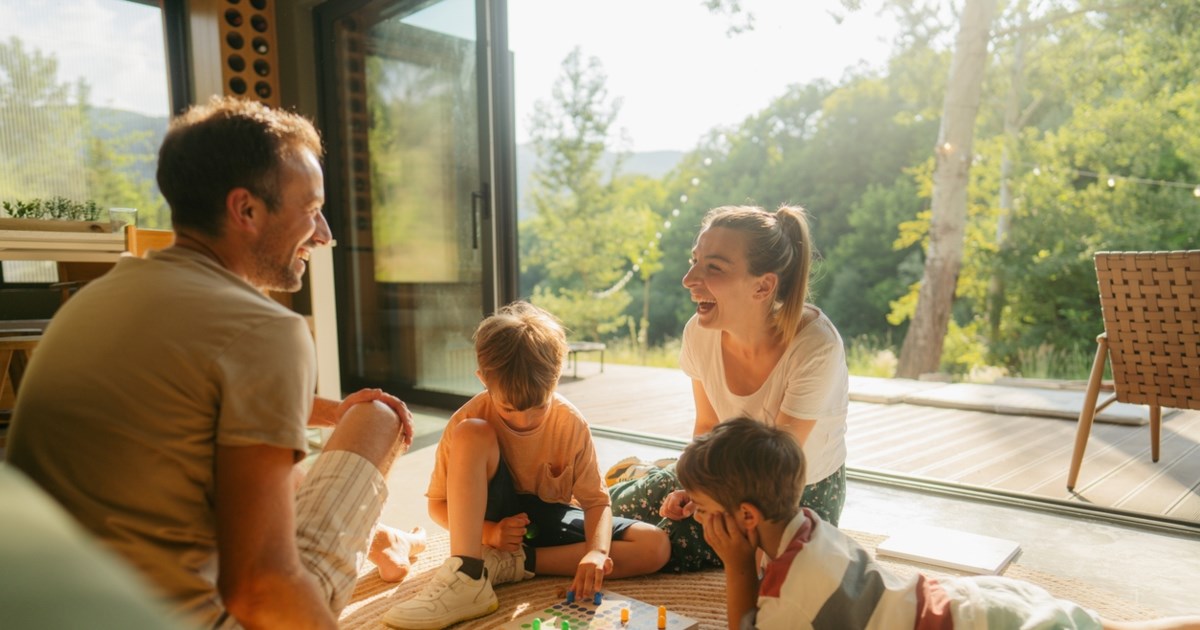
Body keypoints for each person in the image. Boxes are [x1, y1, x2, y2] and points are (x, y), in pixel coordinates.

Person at [8, 96, 421, 629]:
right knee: (378, 419)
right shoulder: (266, 331)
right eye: (311, 209)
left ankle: (384, 540)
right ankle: (382, 537)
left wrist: (333, 411)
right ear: (245, 210)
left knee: (280, 457)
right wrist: (356, 417)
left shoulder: (97, 298)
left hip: (55, 604)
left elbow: (194, 404)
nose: (324, 233)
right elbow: (260, 588)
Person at [677, 418, 1200, 630]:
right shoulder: (808, 524)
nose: (697, 516)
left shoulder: (788, 594)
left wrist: (737, 566)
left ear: (747, 517)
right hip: (979, 602)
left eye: (701, 507)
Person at [384, 302, 670, 630]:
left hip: (547, 520)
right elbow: (438, 505)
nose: (525, 419)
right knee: (472, 434)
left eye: (538, 406)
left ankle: (514, 566)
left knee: (655, 546)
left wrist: (595, 552)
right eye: (508, 409)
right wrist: (490, 533)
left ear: (557, 375)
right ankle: (467, 574)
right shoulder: (467, 420)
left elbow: (596, 502)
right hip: (489, 524)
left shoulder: (570, 423)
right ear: (482, 379)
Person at [608, 204, 849, 571]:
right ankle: (645, 476)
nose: (689, 279)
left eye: (713, 267)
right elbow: (707, 426)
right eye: (694, 261)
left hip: (790, 493)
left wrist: (705, 500)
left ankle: (525, 559)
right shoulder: (699, 332)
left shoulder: (816, 346)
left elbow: (775, 470)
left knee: (663, 543)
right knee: (613, 508)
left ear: (764, 285)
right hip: (724, 472)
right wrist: (691, 486)